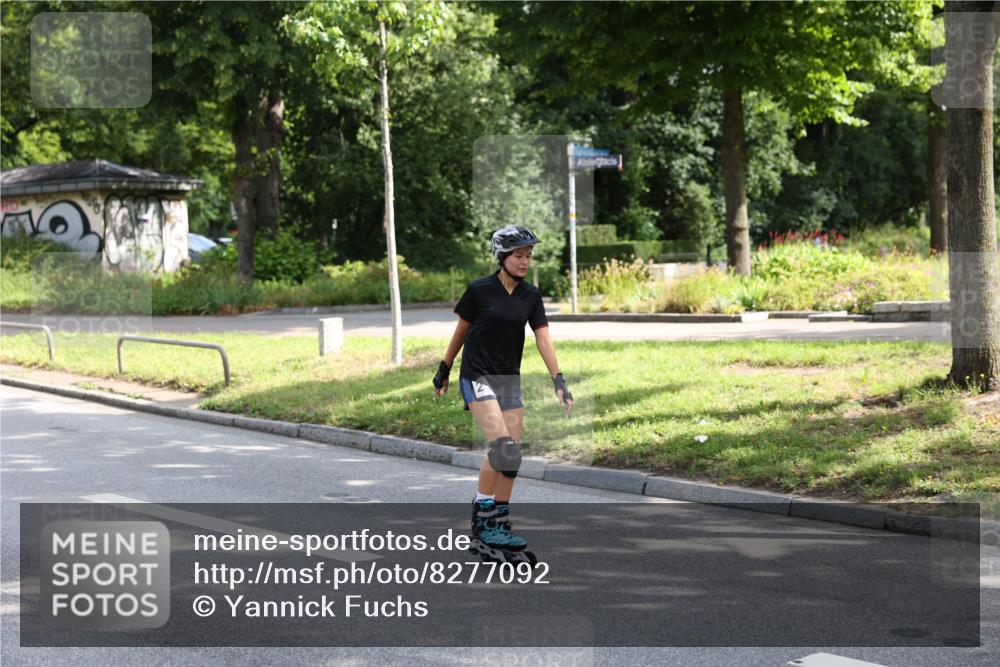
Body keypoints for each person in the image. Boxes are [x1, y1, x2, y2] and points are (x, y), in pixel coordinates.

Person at [432, 224, 573, 564]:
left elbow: (543, 338)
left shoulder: (531, 296)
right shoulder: (479, 290)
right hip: (477, 375)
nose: (524, 262)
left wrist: (559, 379)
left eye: (528, 256)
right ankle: (482, 522)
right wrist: (444, 368)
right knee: (503, 446)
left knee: (511, 456)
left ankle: (499, 520)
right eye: (518, 256)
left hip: (508, 379)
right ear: (502, 257)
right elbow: (460, 332)